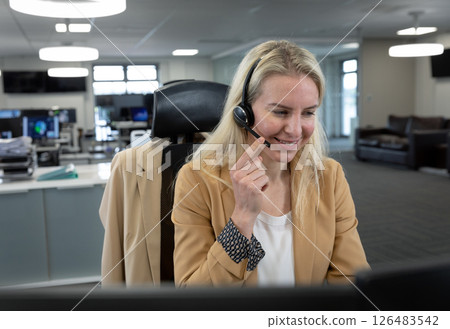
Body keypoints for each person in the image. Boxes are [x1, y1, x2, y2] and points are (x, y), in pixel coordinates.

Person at [171, 40, 369, 287]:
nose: (296, 130)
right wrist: (242, 218)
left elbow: (352, 280)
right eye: (280, 112)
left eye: (308, 112)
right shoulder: (198, 180)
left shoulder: (329, 176)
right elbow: (194, 297)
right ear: (243, 113)